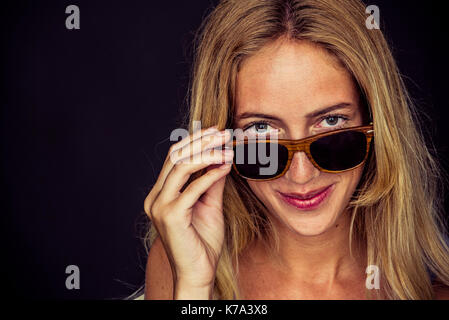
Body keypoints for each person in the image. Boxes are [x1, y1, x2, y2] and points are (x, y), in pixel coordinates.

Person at [142, 0, 449, 299]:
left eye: (331, 122)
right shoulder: (178, 266)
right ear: (222, 140)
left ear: (375, 125)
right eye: (261, 129)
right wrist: (195, 287)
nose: (301, 175)